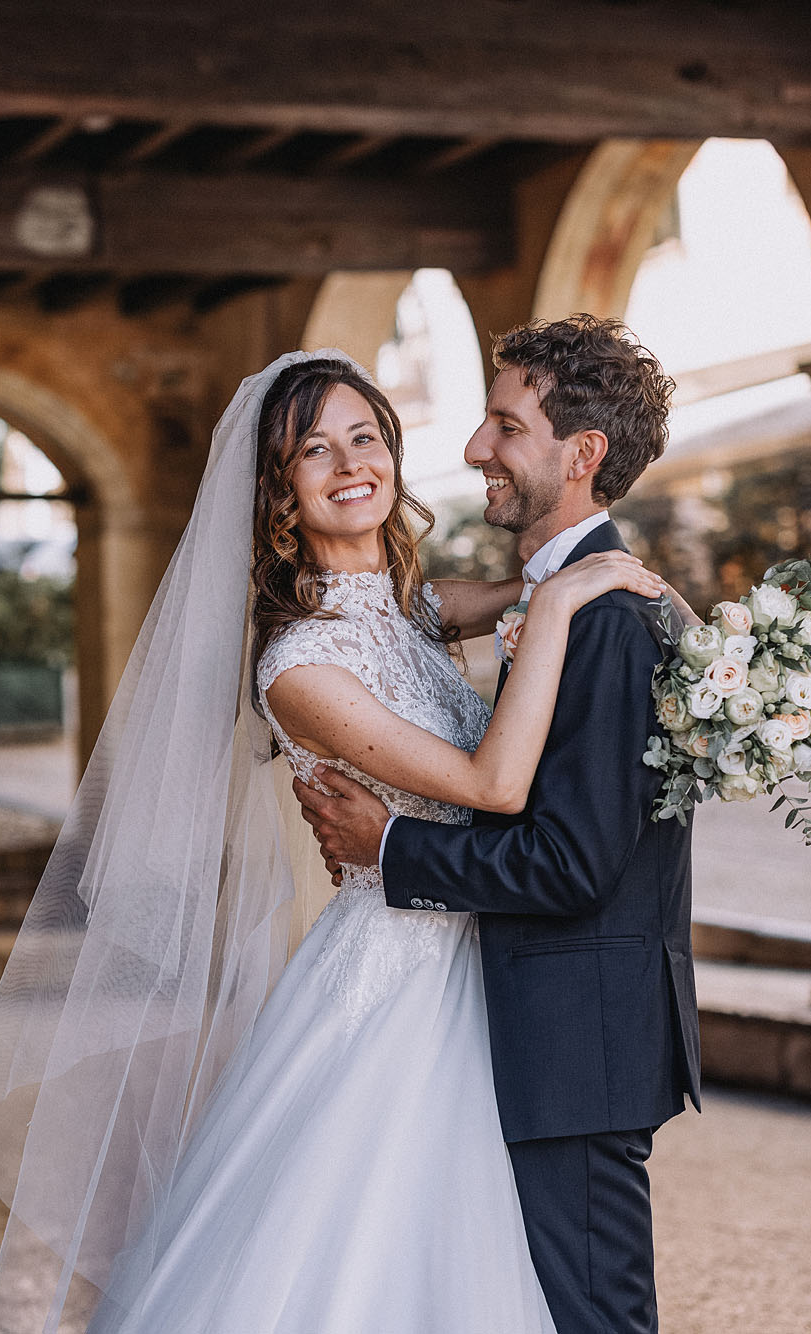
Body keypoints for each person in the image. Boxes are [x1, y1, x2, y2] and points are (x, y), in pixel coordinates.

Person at [0, 341, 678, 1334]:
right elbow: (491, 781)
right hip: (397, 974)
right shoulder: (298, 664)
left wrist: (612, 588)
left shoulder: (415, 611)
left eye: (364, 436)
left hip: (493, 965)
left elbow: (530, 595)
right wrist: (552, 602)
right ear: (277, 491)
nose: (349, 463)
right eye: (312, 451)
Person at [297, 314, 699, 1334]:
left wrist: (386, 845)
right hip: (523, 1029)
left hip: (573, 1042)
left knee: (592, 1318)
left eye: (502, 424)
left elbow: (569, 863)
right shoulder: (560, 597)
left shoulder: (598, 618)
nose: (475, 448)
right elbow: (418, 612)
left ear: (581, 454)